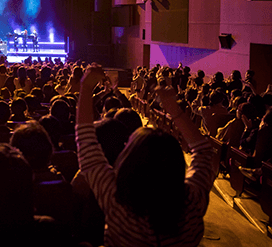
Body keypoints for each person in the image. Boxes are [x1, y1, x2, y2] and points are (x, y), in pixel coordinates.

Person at [76, 64, 214, 246]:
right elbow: (204, 150)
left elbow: (87, 145)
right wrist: (174, 109)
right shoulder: (193, 203)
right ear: (176, 164)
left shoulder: (117, 203)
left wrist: (85, 88)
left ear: (129, 161)